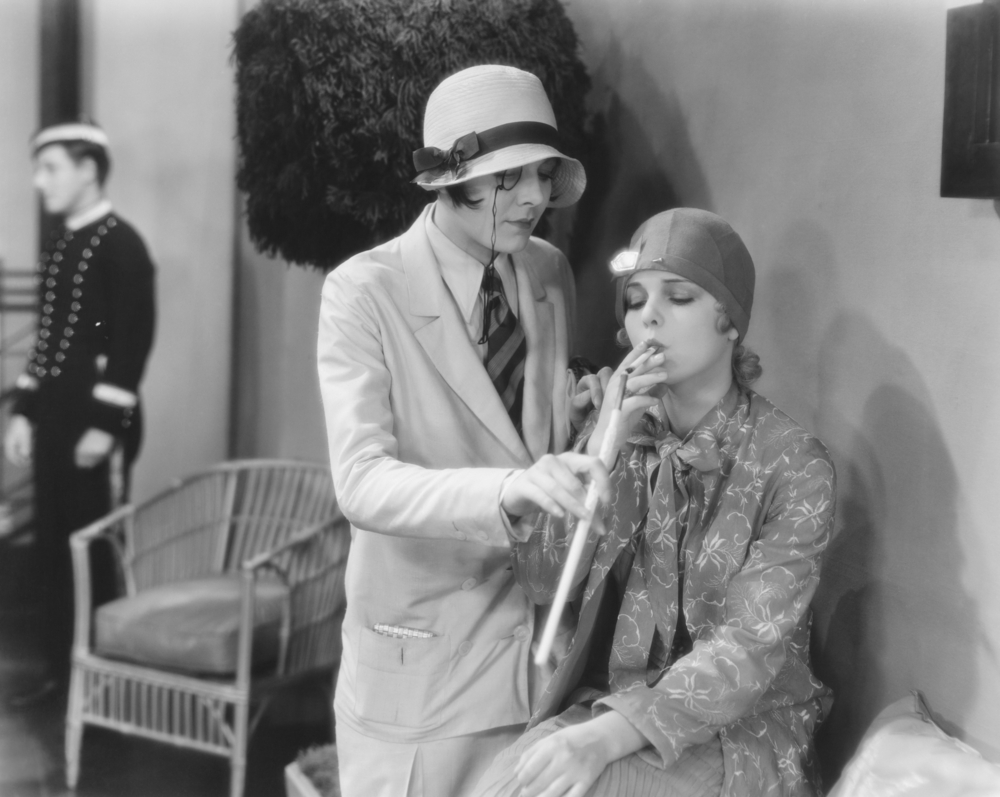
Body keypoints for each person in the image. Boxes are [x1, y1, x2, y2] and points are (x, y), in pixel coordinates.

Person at [317, 65, 612, 797]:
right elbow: (361, 481)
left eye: (543, 174)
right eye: (511, 178)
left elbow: (528, 445)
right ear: (450, 181)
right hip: (421, 669)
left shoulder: (547, 272)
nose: (537, 197)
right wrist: (510, 487)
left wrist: (580, 425)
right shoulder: (363, 292)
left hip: (533, 659)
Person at [474, 208, 837, 797]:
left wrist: (603, 739)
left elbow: (746, 651)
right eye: (636, 300)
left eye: (680, 297)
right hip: (610, 703)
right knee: (503, 783)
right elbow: (543, 581)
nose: (650, 317)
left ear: (730, 321)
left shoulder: (793, 463)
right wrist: (602, 448)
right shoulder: (616, 433)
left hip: (740, 732)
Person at [4, 120, 156, 705]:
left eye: (51, 168)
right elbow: (48, 342)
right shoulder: (62, 245)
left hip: (96, 425)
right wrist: (24, 410)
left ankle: (101, 687)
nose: (39, 182)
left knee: (92, 548)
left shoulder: (123, 244)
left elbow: (132, 343)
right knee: (51, 546)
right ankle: (60, 677)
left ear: (89, 169)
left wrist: (104, 428)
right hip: (55, 421)